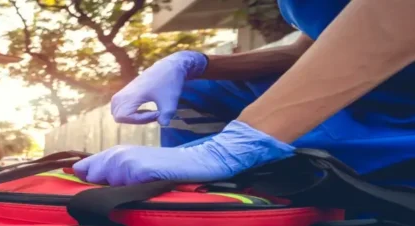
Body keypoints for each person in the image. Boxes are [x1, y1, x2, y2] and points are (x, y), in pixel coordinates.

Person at [73, 0, 415, 188]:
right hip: (363, 103)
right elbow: (313, 46)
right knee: (195, 92)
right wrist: (197, 65)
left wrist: (237, 144)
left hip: (397, 120)